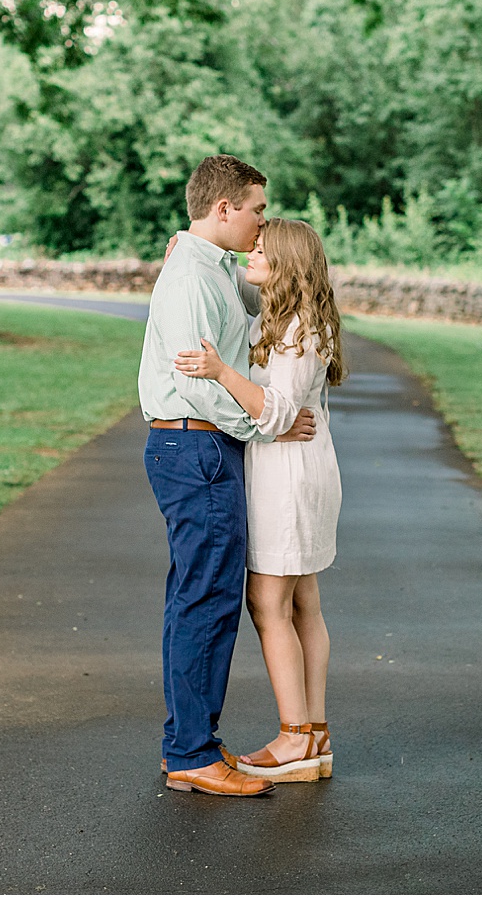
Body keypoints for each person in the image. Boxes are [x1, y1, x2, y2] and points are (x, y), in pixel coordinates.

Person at [139, 155, 317, 797]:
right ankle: (190, 752)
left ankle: (190, 744)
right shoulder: (191, 276)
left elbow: (261, 317)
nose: (261, 223)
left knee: (201, 598)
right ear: (225, 209)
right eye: (257, 209)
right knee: (206, 602)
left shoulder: (209, 268)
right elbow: (199, 384)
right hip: (196, 448)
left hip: (202, 450)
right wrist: (268, 425)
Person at [174, 217, 345, 785]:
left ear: (287, 266)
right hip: (299, 471)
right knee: (303, 605)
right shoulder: (282, 316)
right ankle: (314, 735)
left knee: (269, 605)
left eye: (263, 250)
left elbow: (276, 410)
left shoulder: (300, 328)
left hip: (288, 478)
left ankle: (295, 736)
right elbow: (235, 288)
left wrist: (221, 372)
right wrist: (188, 250)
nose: (252, 250)